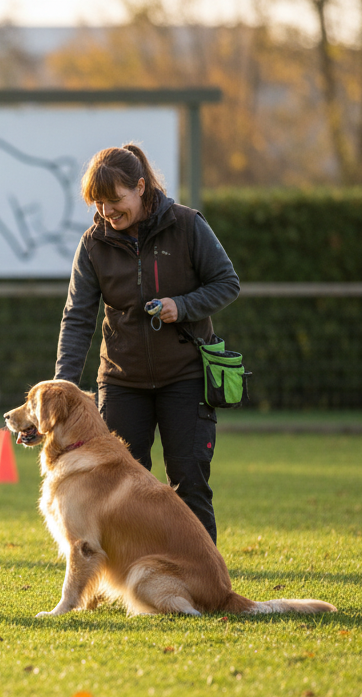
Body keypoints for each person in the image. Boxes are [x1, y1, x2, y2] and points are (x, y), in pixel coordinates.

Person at [54, 144, 239, 544]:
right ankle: (121, 582)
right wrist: (62, 388)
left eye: (114, 200)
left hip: (186, 377)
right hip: (122, 382)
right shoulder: (92, 244)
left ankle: (207, 581)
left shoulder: (188, 225)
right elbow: (78, 318)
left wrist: (183, 305)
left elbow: (227, 283)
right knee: (114, 491)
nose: (106, 212)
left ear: (140, 187)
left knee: (189, 483)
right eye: (98, 203)